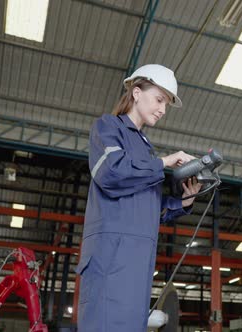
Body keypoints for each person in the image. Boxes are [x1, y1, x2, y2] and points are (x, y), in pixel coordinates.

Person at [76, 64, 202, 331]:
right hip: (111, 257)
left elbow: (147, 205)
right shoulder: (109, 127)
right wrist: (164, 162)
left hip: (138, 263)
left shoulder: (145, 150)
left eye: (166, 104)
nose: (162, 109)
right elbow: (111, 173)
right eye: (159, 99)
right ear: (136, 92)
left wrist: (184, 202)